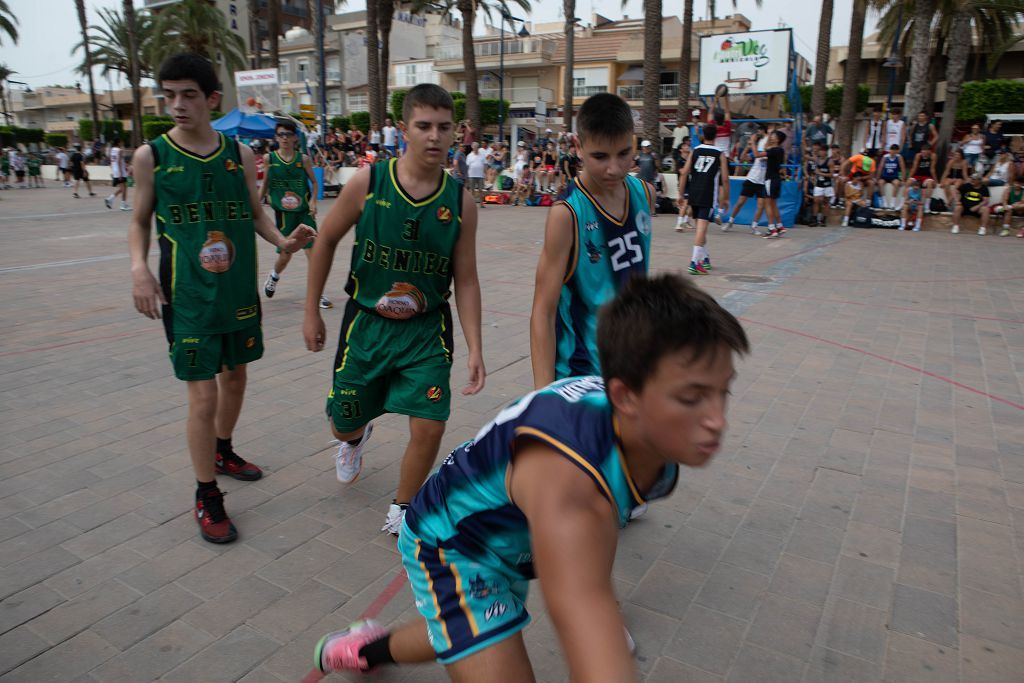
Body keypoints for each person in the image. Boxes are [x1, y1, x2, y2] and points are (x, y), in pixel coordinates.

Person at [312, 272, 750, 680]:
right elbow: (579, 600)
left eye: (722, 391)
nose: (716, 420)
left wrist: (597, 601)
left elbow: (597, 538)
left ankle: (369, 648)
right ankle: (368, 649)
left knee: (464, 629)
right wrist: (596, 618)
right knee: (472, 624)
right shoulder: (568, 478)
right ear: (626, 396)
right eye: (693, 397)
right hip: (452, 544)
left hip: (507, 532)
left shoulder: (651, 432)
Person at [129, 53, 315, 544]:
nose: (176, 104)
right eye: (168, 95)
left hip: (237, 292)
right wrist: (138, 268)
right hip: (186, 294)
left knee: (236, 376)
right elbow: (138, 220)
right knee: (203, 392)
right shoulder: (153, 156)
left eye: (188, 94)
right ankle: (206, 493)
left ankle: (222, 450)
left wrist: (283, 242)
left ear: (212, 99)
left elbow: (255, 214)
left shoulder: (241, 154)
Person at [302, 83, 485, 535]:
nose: (433, 136)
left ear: (456, 132)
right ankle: (354, 438)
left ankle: (404, 510)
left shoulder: (461, 202)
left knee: (429, 425)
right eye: (423, 126)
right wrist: (311, 309)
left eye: (444, 127)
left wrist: (477, 347)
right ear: (403, 129)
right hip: (366, 325)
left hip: (424, 331)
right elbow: (325, 239)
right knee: (342, 422)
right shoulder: (369, 181)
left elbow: (465, 278)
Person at [530, 92, 653, 385]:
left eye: (623, 153)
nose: (614, 168)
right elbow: (542, 313)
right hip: (579, 379)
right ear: (579, 147)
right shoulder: (567, 214)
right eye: (600, 156)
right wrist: (544, 400)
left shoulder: (644, 194)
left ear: (633, 143)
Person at [259, 119, 332, 309]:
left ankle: (318, 294)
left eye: (288, 135)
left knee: (312, 253)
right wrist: (256, 204)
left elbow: (315, 183)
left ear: (294, 138)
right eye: (281, 134)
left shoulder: (303, 159)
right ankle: (274, 276)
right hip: (284, 214)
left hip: (304, 212)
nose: (284, 138)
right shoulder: (270, 159)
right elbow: (265, 184)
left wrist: (313, 201)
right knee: (286, 255)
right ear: (276, 137)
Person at [679, 123, 729, 273]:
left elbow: (684, 173)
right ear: (716, 136)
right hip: (708, 195)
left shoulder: (695, 151)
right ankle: (694, 263)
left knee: (701, 229)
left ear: (703, 135)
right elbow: (725, 179)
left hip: (694, 193)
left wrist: (681, 194)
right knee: (701, 229)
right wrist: (725, 198)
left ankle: (705, 258)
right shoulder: (720, 154)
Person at [722, 130, 766, 235]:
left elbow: (757, 154)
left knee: (761, 205)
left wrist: (753, 143)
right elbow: (742, 159)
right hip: (752, 179)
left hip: (762, 182)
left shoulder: (768, 152)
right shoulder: (757, 150)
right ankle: (730, 221)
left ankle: (754, 226)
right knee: (741, 202)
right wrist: (747, 147)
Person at [760, 131, 787, 239]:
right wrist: (769, 138)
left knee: (767, 204)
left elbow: (757, 155)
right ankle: (780, 226)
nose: (771, 137)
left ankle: (772, 229)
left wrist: (752, 143)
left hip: (770, 179)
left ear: (778, 139)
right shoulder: (780, 150)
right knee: (773, 204)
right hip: (776, 179)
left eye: (773, 136)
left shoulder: (773, 150)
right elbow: (767, 150)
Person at [809, 144, 834, 227]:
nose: (821, 152)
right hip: (819, 184)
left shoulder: (830, 161)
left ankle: (823, 219)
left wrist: (820, 173)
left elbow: (831, 175)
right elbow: (807, 158)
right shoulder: (817, 160)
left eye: (822, 151)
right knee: (816, 201)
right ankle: (815, 218)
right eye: (820, 150)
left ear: (825, 152)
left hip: (827, 184)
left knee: (826, 202)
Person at [906, 143, 936, 213]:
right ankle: (904, 202)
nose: (923, 154)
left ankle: (927, 206)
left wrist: (936, 180)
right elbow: (914, 168)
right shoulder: (918, 156)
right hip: (917, 175)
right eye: (922, 152)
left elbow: (932, 169)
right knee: (908, 182)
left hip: (927, 176)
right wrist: (908, 177)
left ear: (929, 151)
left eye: (925, 152)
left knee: (930, 184)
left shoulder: (933, 156)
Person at [875, 144, 906, 210]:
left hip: (894, 176)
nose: (893, 152)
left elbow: (903, 168)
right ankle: (884, 202)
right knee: (880, 183)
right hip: (885, 176)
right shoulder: (885, 157)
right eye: (892, 150)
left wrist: (903, 180)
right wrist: (877, 178)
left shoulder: (899, 157)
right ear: (890, 150)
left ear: (897, 151)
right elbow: (880, 168)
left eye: (895, 151)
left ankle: (893, 202)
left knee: (897, 183)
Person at [105, 137, 131, 211]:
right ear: (119, 142)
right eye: (121, 142)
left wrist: (114, 171)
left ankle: (110, 199)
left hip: (116, 171)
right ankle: (123, 205)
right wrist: (120, 173)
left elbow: (112, 161)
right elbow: (119, 161)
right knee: (124, 189)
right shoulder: (120, 150)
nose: (122, 143)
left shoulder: (112, 150)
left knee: (123, 188)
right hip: (120, 172)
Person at [674, 138, 693, 231]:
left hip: (690, 183)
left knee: (691, 205)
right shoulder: (679, 160)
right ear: (681, 150)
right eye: (684, 146)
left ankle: (685, 220)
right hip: (683, 185)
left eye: (687, 145)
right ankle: (678, 223)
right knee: (685, 204)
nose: (687, 146)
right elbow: (682, 172)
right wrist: (688, 170)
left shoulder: (690, 160)